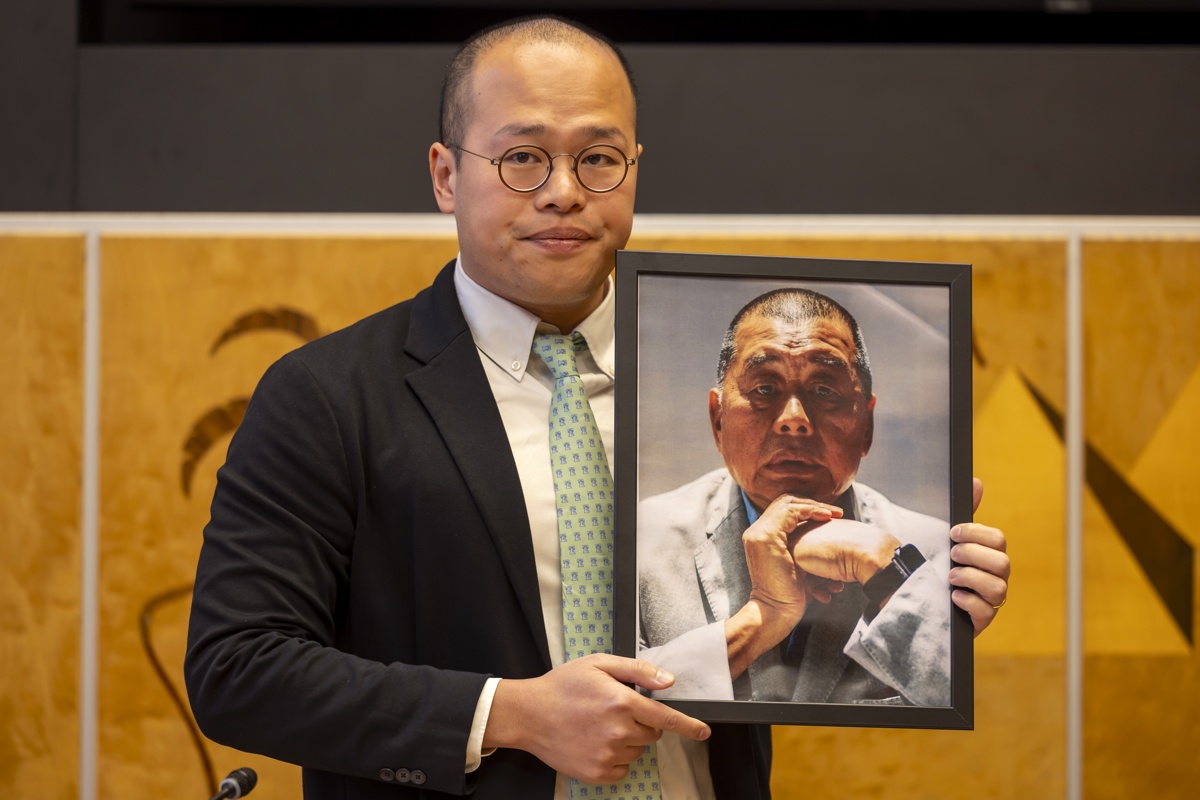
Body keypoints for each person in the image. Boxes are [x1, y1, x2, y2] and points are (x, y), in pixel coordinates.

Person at [184, 15, 1010, 800]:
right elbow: (238, 668)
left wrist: (925, 610)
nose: (564, 192)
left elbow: (782, 659)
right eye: (522, 160)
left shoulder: (722, 411)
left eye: (599, 159)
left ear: (634, 168)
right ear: (445, 174)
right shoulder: (330, 397)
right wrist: (508, 714)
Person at [639, 287, 971, 708]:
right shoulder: (640, 539)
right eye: (764, 389)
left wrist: (884, 569)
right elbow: (609, 706)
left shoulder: (937, 553)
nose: (793, 420)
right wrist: (762, 618)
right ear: (717, 418)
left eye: (825, 391)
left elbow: (955, 704)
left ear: (867, 426)